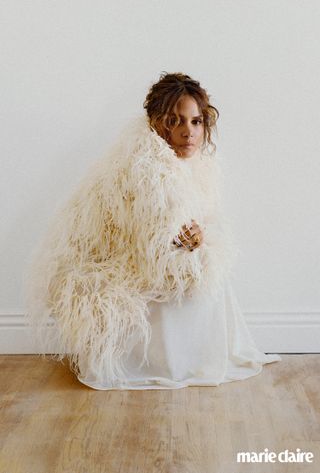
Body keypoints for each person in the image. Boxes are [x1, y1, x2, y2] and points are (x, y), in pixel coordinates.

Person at [23, 72, 281, 390]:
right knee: (198, 269)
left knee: (213, 265)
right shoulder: (145, 168)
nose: (188, 132)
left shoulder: (200, 167)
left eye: (196, 122)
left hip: (150, 254)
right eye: (176, 121)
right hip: (115, 261)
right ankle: (171, 361)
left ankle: (197, 356)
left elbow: (200, 222)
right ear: (158, 123)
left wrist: (198, 236)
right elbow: (147, 245)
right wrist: (187, 242)